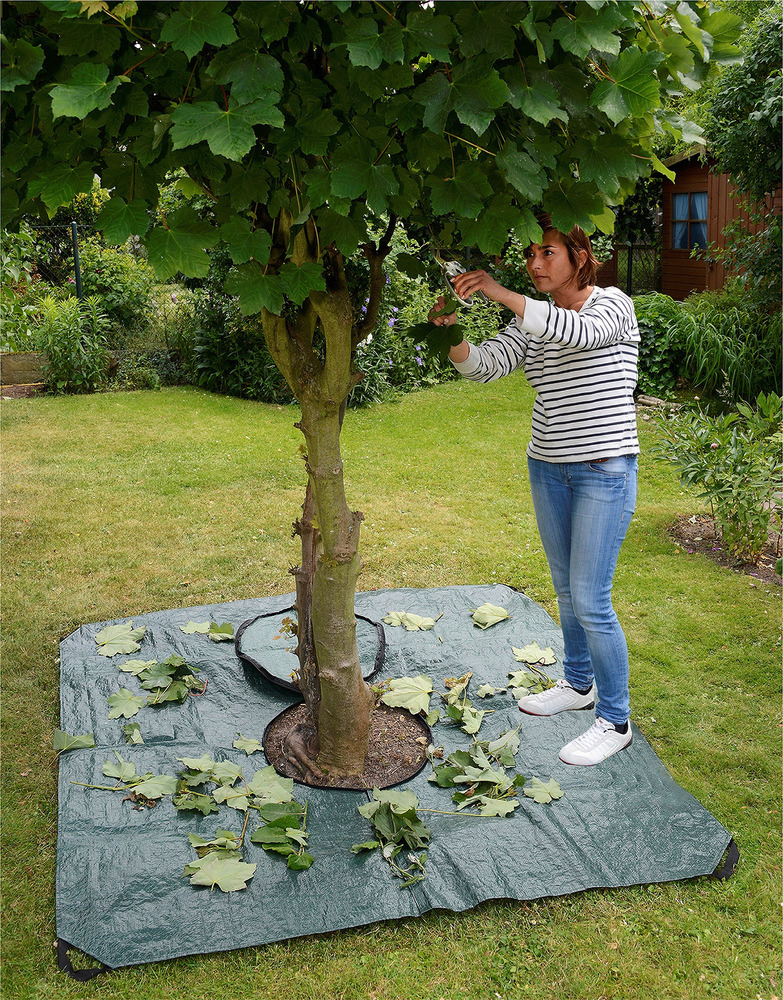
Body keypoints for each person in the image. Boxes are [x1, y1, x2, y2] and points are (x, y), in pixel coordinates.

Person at [429, 217, 639, 766]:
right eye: (529, 253)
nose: (535, 264)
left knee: (592, 599)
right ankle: (577, 685)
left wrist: (500, 292)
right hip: (548, 468)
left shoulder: (611, 305)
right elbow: (484, 368)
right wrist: (452, 332)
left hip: (602, 470)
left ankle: (615, 719)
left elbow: (577, 335)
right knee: (566, 591)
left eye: (547, 253)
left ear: (579, 254)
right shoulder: (533, 322)